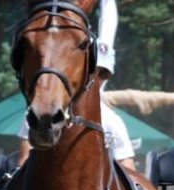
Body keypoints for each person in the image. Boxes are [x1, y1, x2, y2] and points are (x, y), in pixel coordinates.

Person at [17, 0, 136, 170]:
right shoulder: (38, 111)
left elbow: (127, 168)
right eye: (95, 72)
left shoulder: (113, 123)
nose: (97, 79)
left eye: (102, 74)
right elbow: (23, 161)